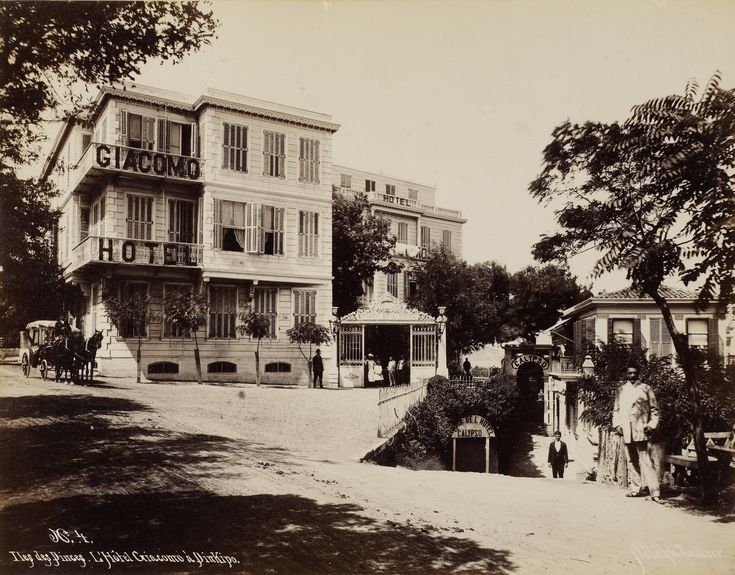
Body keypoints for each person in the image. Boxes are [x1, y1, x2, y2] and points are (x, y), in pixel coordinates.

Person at [613, 364, 662, 502]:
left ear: (638, 374)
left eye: (635, 373)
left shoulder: (646, 389)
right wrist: (617, 425)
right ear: (626, 374)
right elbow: (616, 410)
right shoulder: (621, 390)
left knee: (647, 461)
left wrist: (652, 425)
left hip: (642, 429)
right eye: (630, 373)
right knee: (632, 460)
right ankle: (635, 489)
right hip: (627, 431)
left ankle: (655, 492)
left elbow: (655, 409)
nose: (632, 376)